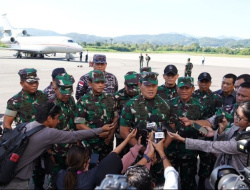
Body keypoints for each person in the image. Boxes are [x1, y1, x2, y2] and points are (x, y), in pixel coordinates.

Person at [0, 102, 115, 190]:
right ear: (49, 118)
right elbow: (74, 136)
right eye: (57, 118)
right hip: (17, 181)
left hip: (6, 172)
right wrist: (100, 130)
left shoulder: (26, 126)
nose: (59, 121)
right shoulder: (47, 133)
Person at [168, 101, 250, 172]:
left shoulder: (245, 141)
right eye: (236, 114)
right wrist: (221, 129)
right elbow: (223, 140)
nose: (235, 118)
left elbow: (212, 146)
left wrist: (183, 140)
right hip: (225, 171)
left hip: (238, 177)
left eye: (239, 117)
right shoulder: (236, 126)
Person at [120, 71, 171, 185]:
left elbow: (171, 130)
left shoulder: (165, 105)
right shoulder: (130, 105)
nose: (151, 89)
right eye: (147, 85)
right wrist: (145, 151)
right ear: (139, 85)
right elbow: (124, 132)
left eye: (154, 85)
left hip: (160, 157)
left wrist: (160, 150)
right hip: (139, 156)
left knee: (159, 185)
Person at [55, 129, 140, 190]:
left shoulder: (60, 176)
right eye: (88, 159)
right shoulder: (90, 177)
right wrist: (128, 139)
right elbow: (111, 157)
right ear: (85, 163)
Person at [166, 76, 204, 190]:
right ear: (177, 88)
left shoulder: (199, 106)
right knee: (169, 180)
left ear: (192, 89)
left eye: (187, 88)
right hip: (171, 149)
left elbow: (205, 129)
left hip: (189, 151)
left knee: (188, 182)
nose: (184, 91)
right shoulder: (168, 104)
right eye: (181, 88)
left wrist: (193, 124)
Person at [74, 70, 118, 161]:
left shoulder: (110, 98)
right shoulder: (83, 101)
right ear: (90, 83)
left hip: (107, 144)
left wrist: (110, 134)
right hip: (91, 146)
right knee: (92, 169)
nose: (101, 85)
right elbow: (79, 124)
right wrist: (98, 133)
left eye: (102, 82)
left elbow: (115, 118)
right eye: (97, 82)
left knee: (105, 169)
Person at [192, 72, 223, 189]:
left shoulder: (217, 98)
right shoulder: (192, 95)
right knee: (190, 161)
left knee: (205, 161)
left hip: (208, 134)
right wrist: (198, 128)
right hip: (193, 133)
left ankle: (201, 183)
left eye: (206, 82)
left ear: (210, 83)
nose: (203, 84)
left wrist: (206, 129)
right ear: (198, 82)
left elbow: (217, 117)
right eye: (201, 81)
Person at [47, 73, 77, 188]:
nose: (66, 96)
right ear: (55, 89)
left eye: (69, 93)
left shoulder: (71, 100)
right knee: (55, 181)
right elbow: (45, 131)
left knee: (70, 180)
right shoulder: (50, 105)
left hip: (71, 150)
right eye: (63, 93)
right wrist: (49, 153)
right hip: (56, 151)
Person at [114, 71, 141, 155]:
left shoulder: (142, 94)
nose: (133, 90)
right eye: (130, 87)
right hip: (122, 134)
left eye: (135, 86)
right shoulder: (118, 97)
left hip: (138, 134)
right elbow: (114, 116)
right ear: (125, 84)